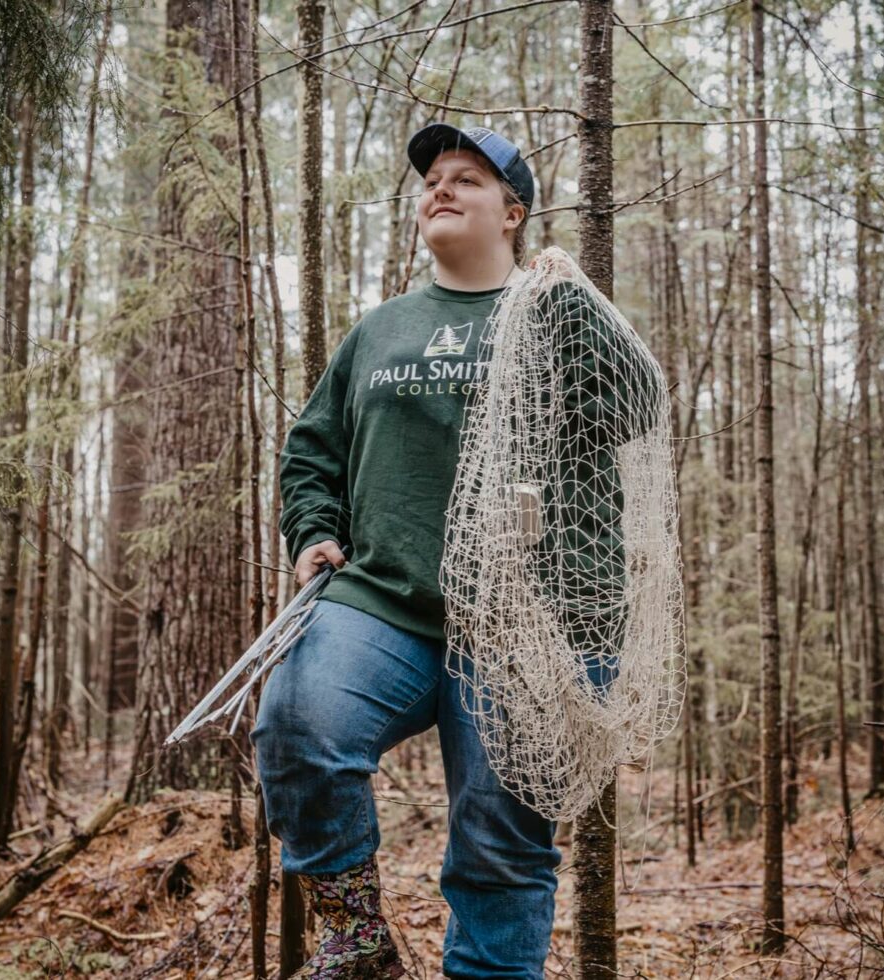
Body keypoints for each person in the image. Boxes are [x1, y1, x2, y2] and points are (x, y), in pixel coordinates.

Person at [251, 125, 561, 980]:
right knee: (298, 725)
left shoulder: (558, 321)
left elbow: (633, 418)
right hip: (380, 601)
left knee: (501, 847)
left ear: (514, 212)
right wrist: (312, 532)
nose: (440, 189)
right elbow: (310, 449)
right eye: (431, 179)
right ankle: (355, 942)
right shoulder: (380, 330)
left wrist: (579, 312)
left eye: (467, 179)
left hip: (516, 626)